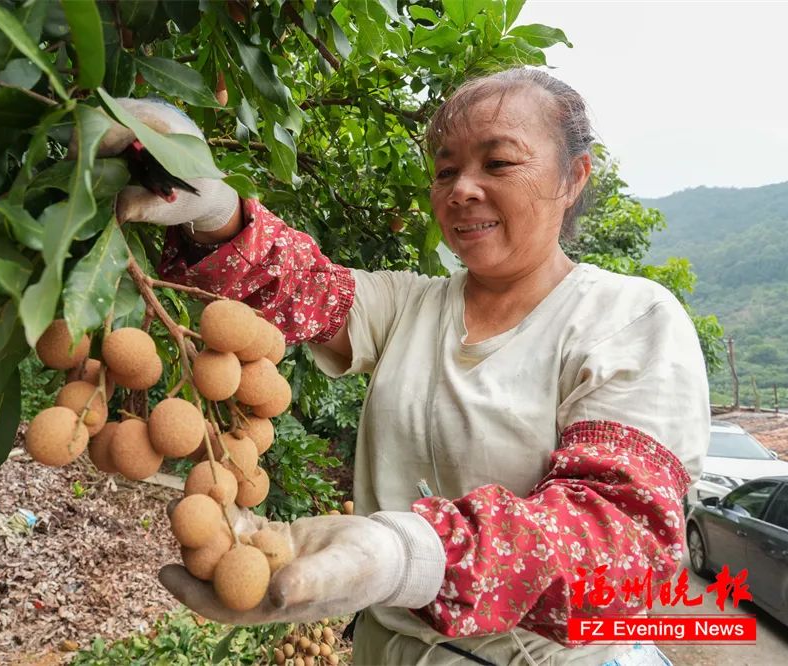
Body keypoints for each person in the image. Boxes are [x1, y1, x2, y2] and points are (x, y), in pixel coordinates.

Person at [112, 69, 709, 665]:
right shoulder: (411, 305)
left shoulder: (630, 319)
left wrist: (414, 556)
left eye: (498, 163)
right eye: (446, 170)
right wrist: (215, 211)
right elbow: (297, 288)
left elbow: (623, 539)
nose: (462, 190)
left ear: (573, 176)